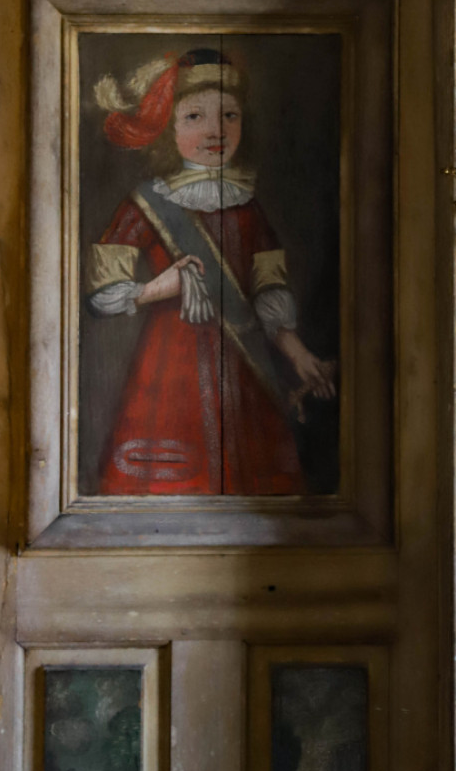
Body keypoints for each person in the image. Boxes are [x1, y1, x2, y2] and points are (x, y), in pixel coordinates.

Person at [87, 47, 336, 495]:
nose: (216, 130)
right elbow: (104, 290)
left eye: (229, 115)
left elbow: (269, 291)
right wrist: (157, 288)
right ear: (168, 128)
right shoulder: (145, 203)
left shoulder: (248, 206)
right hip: (169, 368)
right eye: (194, 117)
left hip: (245, 368)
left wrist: (300, 355)